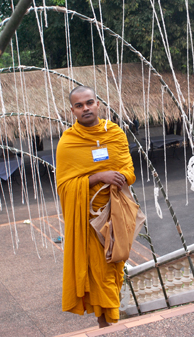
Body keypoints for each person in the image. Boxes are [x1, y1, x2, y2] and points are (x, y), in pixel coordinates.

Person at [56, 85, 135, 328]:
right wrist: (99, 176)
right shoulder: (68, 142)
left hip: (116, 215)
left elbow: (129, 172)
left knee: (115, 267)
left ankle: (109, 323)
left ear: (98, 104)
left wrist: (117, 176)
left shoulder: (115, 133)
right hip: (89, 221)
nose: (85, 108)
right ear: (72, 110)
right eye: (79, 105)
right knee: (99, 273)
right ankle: (107, 325)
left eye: (89, 102)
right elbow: (65, 186)